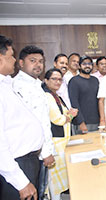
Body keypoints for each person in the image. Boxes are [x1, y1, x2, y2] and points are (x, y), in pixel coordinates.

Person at [0, 35, 44, 200]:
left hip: (27, 161)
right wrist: (20, 182)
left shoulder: (6, 84)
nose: (13, 60)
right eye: (11, 55)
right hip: (16, 166)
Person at [13, 45, 55, 199]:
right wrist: (46, 152)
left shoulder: (36, 85)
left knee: (38, 191)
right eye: (33, 61)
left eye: (41, 61)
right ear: (21, 63)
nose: (38, 65)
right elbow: (35, 123)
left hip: (37, 153)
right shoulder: (17, 86)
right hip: (26, 155)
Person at [42, 68, 78, 199]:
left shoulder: (55, 95)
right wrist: (71, 115)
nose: (58, 82)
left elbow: (63, 115)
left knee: (59, 178)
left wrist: (68, 114)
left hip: (62, 141)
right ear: (46, 80)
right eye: (54, 79)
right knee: (55, 182)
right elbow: (58, 119)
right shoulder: (47, 96)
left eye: (60, 79)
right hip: (55, 143)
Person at [68, 55, 100, 133]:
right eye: (84, 64)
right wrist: (81, 122)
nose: (87, 66)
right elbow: (74, 103)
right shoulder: (74, 81)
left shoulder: (95, 80)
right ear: (79, 66)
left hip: (96, 122)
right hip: (82, 124)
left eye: (89, 64)